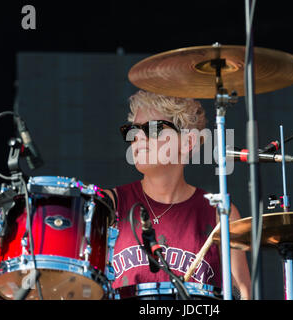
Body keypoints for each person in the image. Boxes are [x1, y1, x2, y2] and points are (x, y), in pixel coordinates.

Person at [103, 90, 251, 300]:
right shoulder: (108, 204)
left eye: (152, 129)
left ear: (187, 142)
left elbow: (242, 294)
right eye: (132, 130)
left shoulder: (219, 214)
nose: (137, 138)